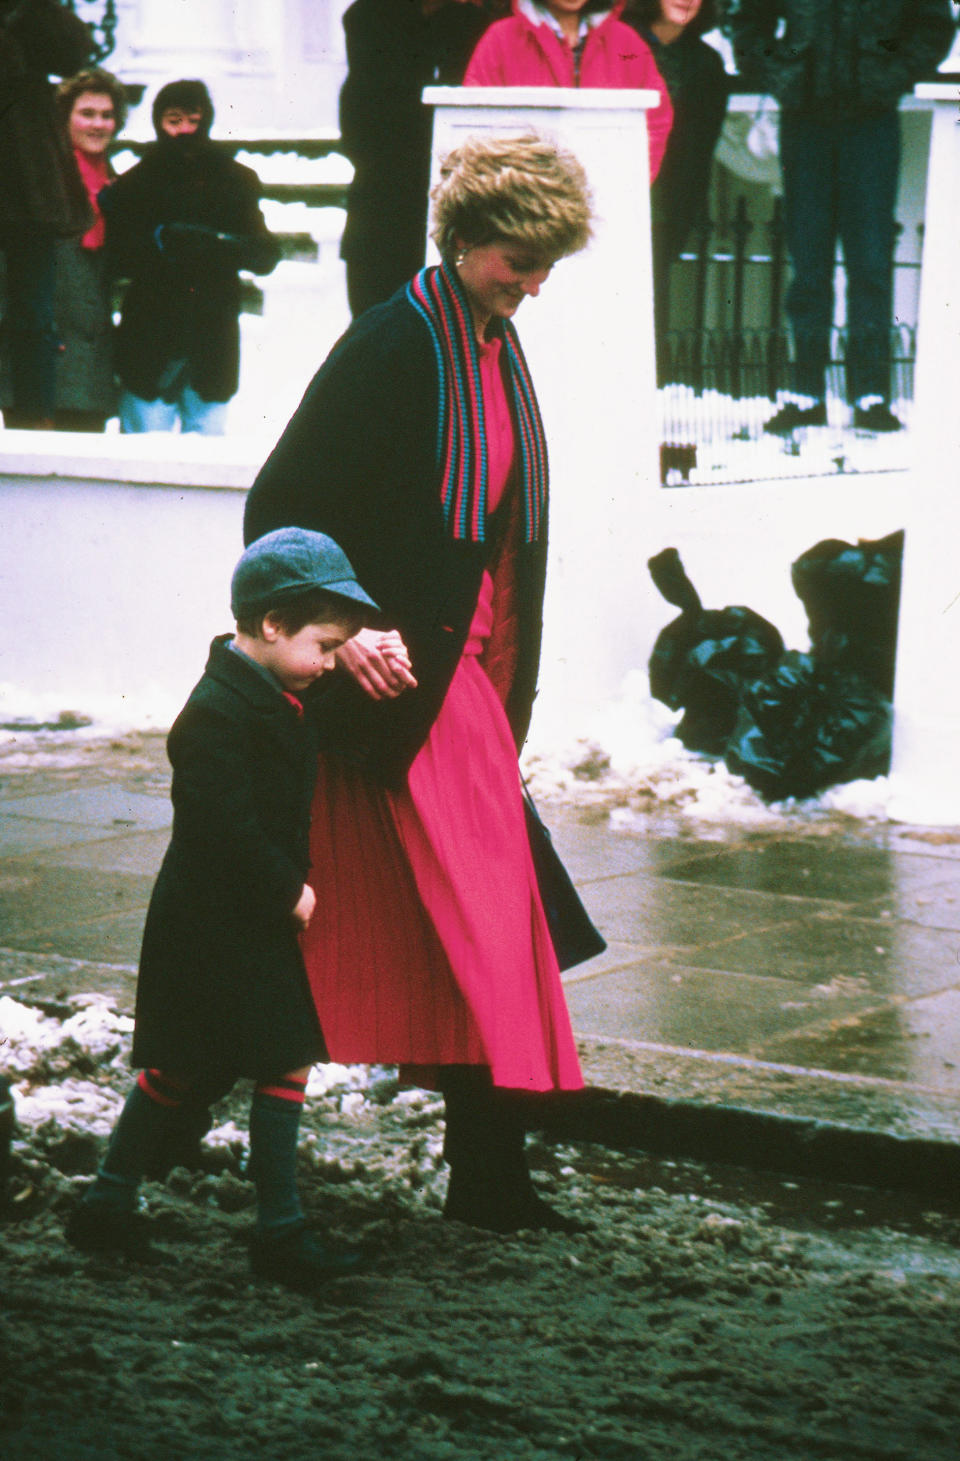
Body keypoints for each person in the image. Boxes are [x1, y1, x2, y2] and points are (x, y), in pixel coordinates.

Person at [244, 133, 594, 1235]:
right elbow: (282, 509)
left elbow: (495, 542)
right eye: (518, 259)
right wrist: (342, 635)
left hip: (469, 690)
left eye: (547, 264)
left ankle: (488, 1179)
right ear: (466, 236)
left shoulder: (489, 342)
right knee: (464, 930)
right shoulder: (396, 342)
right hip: (402, 691)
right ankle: (153, 1161)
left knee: (479, 933)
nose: (534, 284)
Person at [67, 528, 384, 1291]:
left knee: (197, 1064)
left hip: (238, 921)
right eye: (327, 644)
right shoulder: (216, 713)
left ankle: (110, 1203)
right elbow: (222, 826)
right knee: (252, 1060)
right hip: (214, 923)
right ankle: (276, 1234)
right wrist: (289, 889)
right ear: (271, 625)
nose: (334, 662)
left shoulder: (272, 689)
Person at [723, 0, 955, 436]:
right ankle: (805, 394)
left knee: (870, 262)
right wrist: (784, 73)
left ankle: (871, 395)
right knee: (808, 264)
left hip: (872, 121)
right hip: (804, 119)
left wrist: (889, 72)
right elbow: (748, 20)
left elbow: (932, 25)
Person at [99, 78, 281, 434]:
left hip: (211, 338)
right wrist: (160, 243)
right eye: (173, 120)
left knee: (207, 447)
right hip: (150, 338)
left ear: (207, 120)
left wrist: (216, 244)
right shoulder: (135, 184)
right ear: (158, 122)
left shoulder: (235, 180)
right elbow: (117, 257)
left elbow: (265, 253)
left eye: (192, 120)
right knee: (143, 452)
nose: (184, 130)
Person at [339, 0, 499, 319]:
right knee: (378, 322)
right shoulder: (370, 19)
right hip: (383, 203)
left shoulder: (473, 26)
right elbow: (361, 122)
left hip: (453, 198)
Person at [0, 0, 96, 429]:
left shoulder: (32, 13)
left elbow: (73, 52)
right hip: (25, 167)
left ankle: (35, 419)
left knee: (33, 313)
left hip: (27, 178)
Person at [624, 1, 728, 373]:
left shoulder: (707, 63)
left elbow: (700, 151)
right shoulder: (622, 43)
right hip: (623, 190)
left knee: (654, 295)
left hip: (670, 201)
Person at [463, 1, 674, 181]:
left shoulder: (627, 43)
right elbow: (474, 124)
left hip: (608, 205)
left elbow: (656, 118)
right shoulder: (501, 40)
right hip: (521, 210)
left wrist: (626, 181)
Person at [50, 68, 127, 431]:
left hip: (93, 360)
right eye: (87, 113)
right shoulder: (45, 183)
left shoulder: (113, 184)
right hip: (50, 358)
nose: (99, 124)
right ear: (64, 119)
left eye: (107, 115)